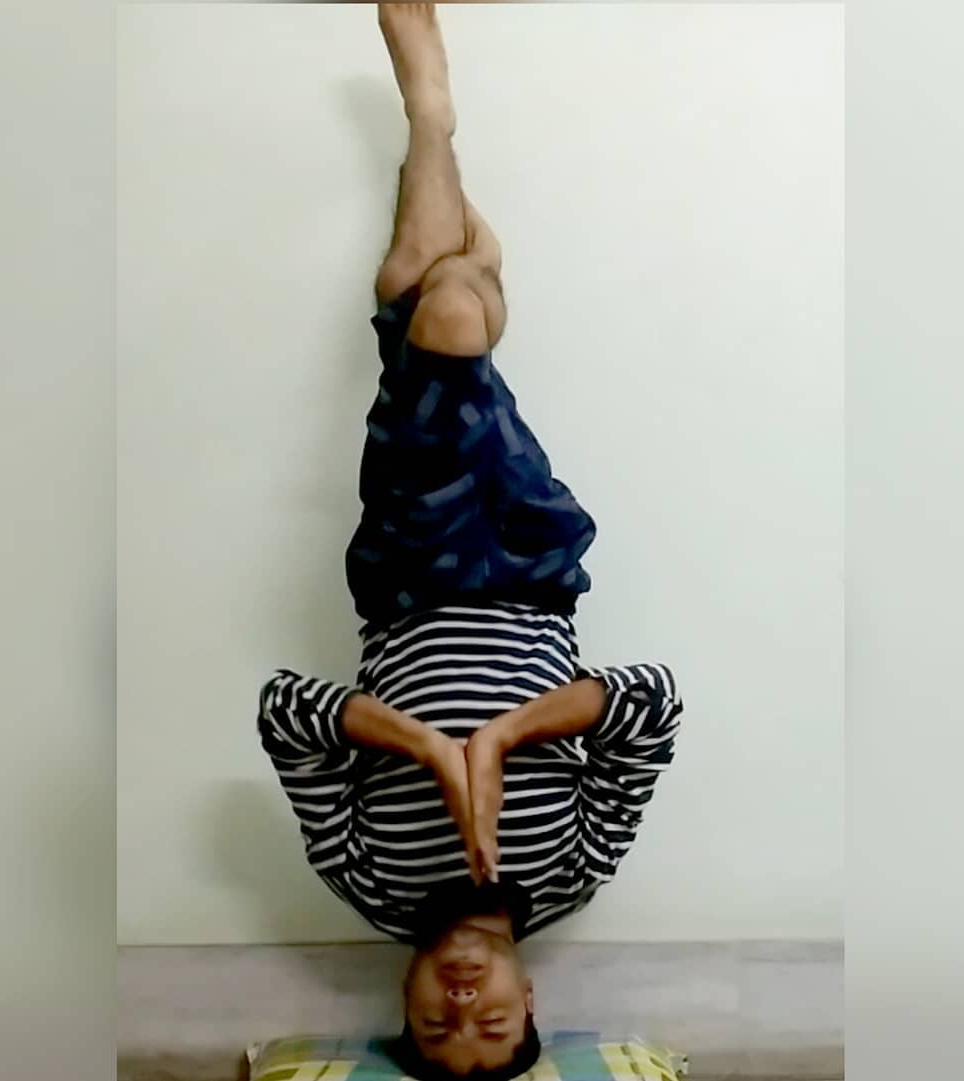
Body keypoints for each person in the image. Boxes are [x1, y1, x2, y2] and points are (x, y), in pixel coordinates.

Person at [257, 5, 684, 1079]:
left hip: (413, 576)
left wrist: (427, 747)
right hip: (538, 571)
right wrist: (500, 740)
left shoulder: (367, 883)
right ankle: (448, 224)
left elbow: (285, 714)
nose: (461, 1007)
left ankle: (439, 156)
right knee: (433, 305)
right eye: (492, 1027)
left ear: (400, 1004)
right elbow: (652, 705)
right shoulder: (575, 870)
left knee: (441, 313)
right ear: (528, 999)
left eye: (433, 1029)